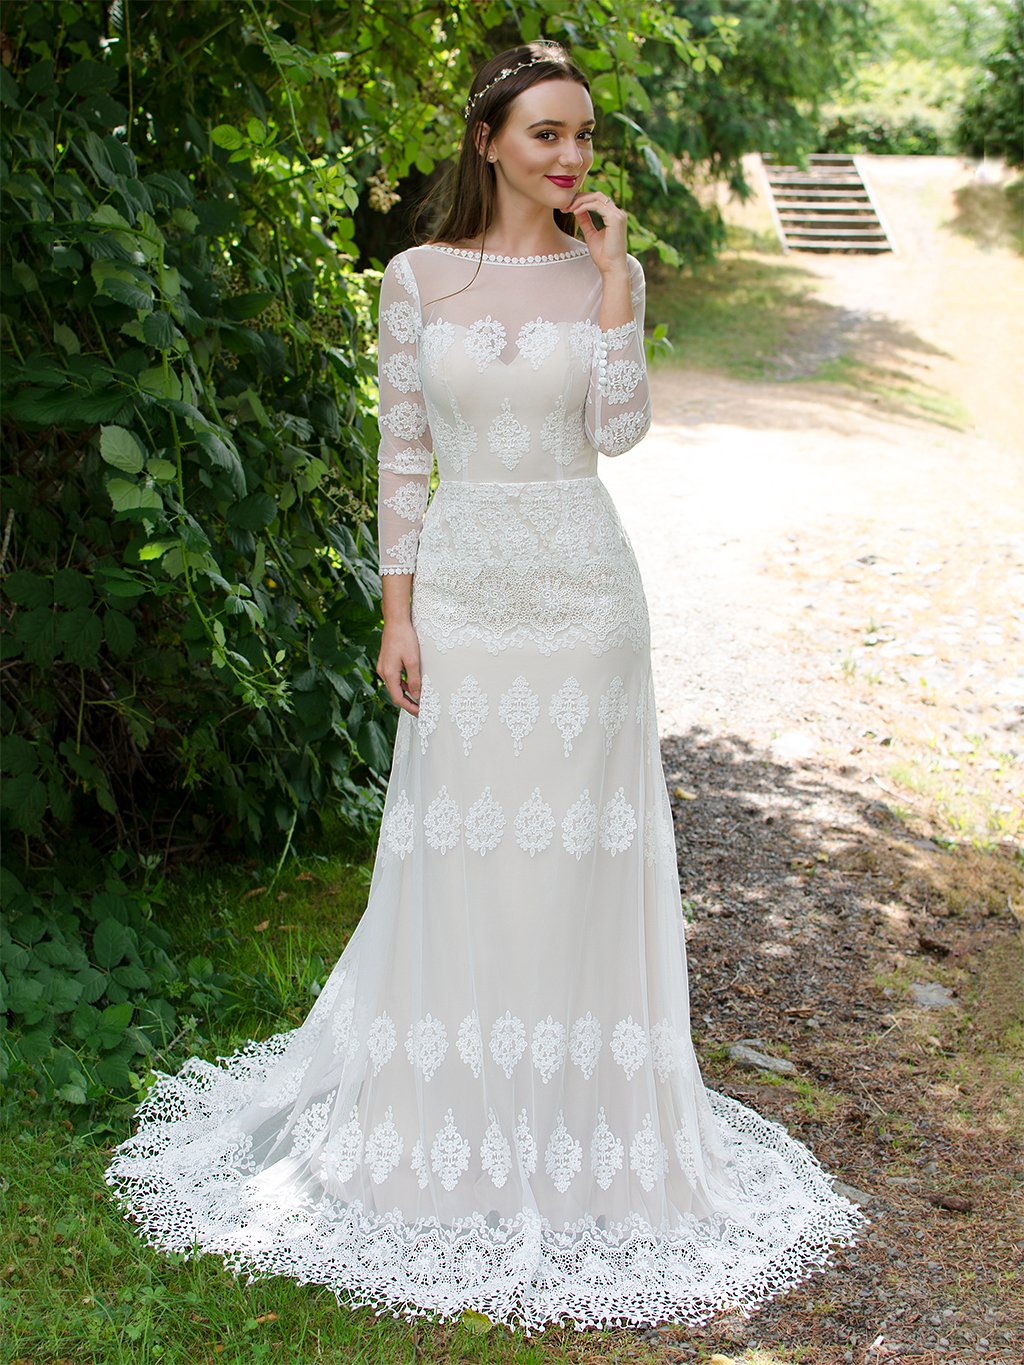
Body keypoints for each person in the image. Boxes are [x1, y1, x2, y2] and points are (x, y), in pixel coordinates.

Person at [105, 40, 865, 1334]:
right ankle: (443, 1113)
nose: (571, 156)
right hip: (463, 593)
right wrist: (397, 613)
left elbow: (618, 431)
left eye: (583, 134)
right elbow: (402, 455)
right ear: (488, 141)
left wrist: (615, 284)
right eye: (545, 133)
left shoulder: (605, 277)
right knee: (466, 849)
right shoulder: (417, 278)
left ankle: (577, 1120)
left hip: (584, 595)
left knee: (574, 856)